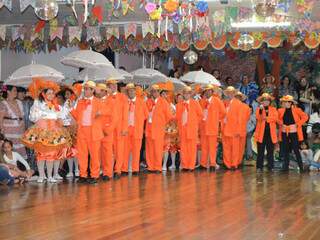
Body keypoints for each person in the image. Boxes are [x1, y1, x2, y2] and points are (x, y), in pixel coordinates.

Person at [21, 78, 72, 183]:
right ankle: (41, 175)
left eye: (52, 93)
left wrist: (66, 109)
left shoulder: (56, 106)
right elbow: (33, 118)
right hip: (41, 131)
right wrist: (38, 109)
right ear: (43, 94)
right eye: (48, 93)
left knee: (52, 154)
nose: (51, 95)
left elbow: (63, 117)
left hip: (54, 131)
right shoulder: (38, 104)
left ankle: (50, 176)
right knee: (40, 154)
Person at [71, 81, 109, 184]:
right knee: (82, 154)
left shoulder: (98, 101)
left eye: (88, 89)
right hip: (82, 130)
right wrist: (71, 107)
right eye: (85, 89)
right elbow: (76, 116)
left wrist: (100, 112)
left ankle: (95, 175)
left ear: (93, 90)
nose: (85, 91)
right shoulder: (80, 102)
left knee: (94, 155)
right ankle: (83, 175)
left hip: (94, 131)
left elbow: (107, 110)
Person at [145, 84, 173, 173]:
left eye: (156, 91)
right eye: (153, 91)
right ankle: (150, 167)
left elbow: (169, 116)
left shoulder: (163, 102)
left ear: (159, 92)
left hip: (158, 129)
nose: (155, 93)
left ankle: (157, 167)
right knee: (149, 148)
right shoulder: (148, 102)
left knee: (158, 149)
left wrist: (162, 123)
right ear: (151, 93)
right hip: (149, 128)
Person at [122, 83, 148, 175]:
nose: (131, 92)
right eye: (129, 90)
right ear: (127, 92)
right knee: (125, 150)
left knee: (136, 150)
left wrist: (138, 120)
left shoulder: (141, 102)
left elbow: (146, 116)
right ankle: (124, 169)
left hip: (137, 129)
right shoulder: (124, 102)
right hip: (126, 129)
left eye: (132, 90)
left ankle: (135, 169)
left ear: (135, 91)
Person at [278, 95, 309, 173]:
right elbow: (276, 119)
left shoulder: (297, 110)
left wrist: (298, 124)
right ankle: (285, 167)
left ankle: (301, 167)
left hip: (294, 132)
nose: (287, 103)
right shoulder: (280, 110)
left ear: (291, 103)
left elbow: (305, 117)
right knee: (286, 150)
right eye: (285, 102)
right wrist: (281, 123)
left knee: (296, 150)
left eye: (288, 102)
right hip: (284, 132)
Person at [106, 78, 129, 179]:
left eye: (115, 84)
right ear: (108, 86)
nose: (114, 86)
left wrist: (124, 128)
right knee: (108, 150)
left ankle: (118, 170)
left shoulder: (123, 97)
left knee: (119, 149)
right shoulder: (105, 97)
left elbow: (125, 114)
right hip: (109, 127)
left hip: (119, 127)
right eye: (112, 84)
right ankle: (108, 171)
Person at [175, 86, 202, 171]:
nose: (186, 95)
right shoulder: (179, 105)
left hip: (192, 129)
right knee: (183, 148)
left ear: (190, 94)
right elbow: (177, 117)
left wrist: (194, 124)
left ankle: (191, 166)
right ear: (183, 94)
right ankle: (185, 165)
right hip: (183, 129)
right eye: (185, 93)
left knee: (192, 148)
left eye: (188, 93)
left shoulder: (195, 103)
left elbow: (200, 115)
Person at [199, 84, 225, 170]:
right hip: (203, 128)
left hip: (212, 127)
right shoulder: (202, 101)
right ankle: (203, 164)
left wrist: (216, 119)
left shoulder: (217, 100)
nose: (208, 92)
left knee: (212, 147)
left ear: (212, 92)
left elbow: (223, 112)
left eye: (209, 90)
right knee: (204, 147)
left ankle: (212, 164)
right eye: (206, 91)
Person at [0, 85, 27, 158]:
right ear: (8, 91)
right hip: (9, 130)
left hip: (20, 129)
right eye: (14, 90)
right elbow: (0, 118)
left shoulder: (19, 102)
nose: (16, 92)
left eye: (16, 91)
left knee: (20, 146)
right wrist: (2, 130)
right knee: (10, 147)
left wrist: (24, 127)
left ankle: (21, 165)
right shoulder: (3, 103)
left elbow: (22, 116)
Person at [222, 86, 245, 170]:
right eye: (228, 93)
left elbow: (240, 118)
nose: (229, 94)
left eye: (231, 93)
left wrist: (238, 130)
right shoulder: (224, 103)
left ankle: (234, 164)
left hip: (234, 129)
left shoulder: (238, 103)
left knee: (235, 148)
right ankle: (227, 164)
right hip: (225, 129)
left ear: (234, 94)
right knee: (226, 148)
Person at [254, 93, 278, 172]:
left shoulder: (273, 109)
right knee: (260, 151)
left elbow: (275, 118)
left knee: (270, 151)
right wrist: (261, 110)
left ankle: (271, 167)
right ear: (262, 102)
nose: (266, 102)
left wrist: (266, 118)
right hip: (261, 133)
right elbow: (259, 118)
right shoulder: (259, 109)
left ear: (269, 101)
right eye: (264, 100)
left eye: (267, 100)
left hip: (270, 133)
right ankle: (259, 167)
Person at [98, 83, 115, 181]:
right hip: (97, 130)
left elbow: (114, 117)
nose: (98, 92)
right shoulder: (96, 101)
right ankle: (100, 170)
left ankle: (108, 173)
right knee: (98, 152)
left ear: (105, 91)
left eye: (100, 90)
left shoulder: (111, 101)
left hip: (107, 130)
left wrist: (108, 130)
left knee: (108, 152)